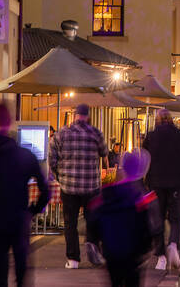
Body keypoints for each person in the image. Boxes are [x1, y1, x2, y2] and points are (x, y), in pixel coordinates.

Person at [0, 103, 49, 287]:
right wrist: (31, 211)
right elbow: (45, 191)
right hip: (19, 220)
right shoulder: (25, 155)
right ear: (10, 123)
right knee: (22, 271)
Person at [49, 103, 108, 269]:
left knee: (70, 223)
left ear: (75, 115)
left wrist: (60, 176)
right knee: (92, 220)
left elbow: (52, 159)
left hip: (69, 187)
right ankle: (91, 242)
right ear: (88, 116)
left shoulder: (61, 134)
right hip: (91, 187)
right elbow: (104, 152)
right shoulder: (95, 133)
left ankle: (73, 259)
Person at [88, 149, 159, 287]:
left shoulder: (107, 194)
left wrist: (94, 242)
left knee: (115, 282)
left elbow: (94, 220)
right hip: (134, 254)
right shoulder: (143, 198)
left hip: (111, 251)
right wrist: (148, 247)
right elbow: (150, 226)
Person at [142, 108, 180, 271]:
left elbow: (145, 156)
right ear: (171, 119)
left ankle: (161, 257)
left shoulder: (151, 136)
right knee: (176, 217)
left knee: (157, 219)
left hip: (156, 182)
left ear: (157, 120)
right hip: (177, 182)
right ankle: (173, 244)